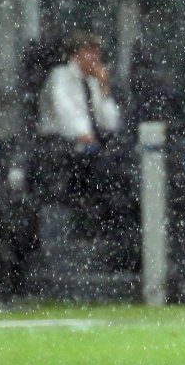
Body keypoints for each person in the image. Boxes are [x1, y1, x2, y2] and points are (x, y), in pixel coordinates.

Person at [37, 31, 122, 231]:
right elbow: (66, 116)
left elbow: (110, 122)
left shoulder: (92, 82)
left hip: (90, 149)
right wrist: (85, 136)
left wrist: (104, 87)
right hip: (60, 147)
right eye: (89, 51)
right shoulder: (60, 77)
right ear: (75, 55)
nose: (95, 57)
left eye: (97, 52)